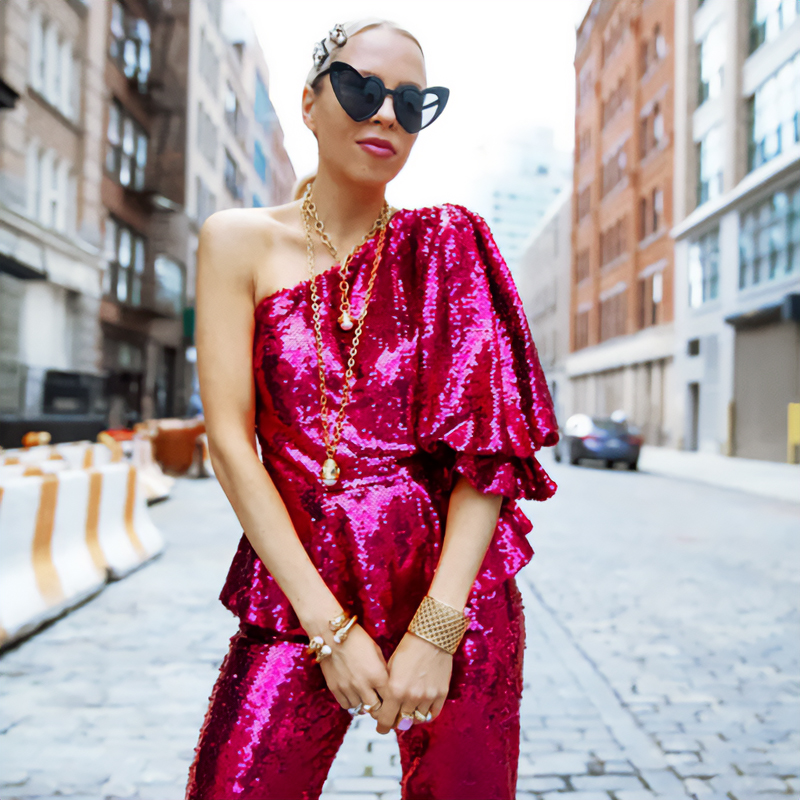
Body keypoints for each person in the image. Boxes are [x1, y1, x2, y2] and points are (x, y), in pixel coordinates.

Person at [185, 18, 558, 800]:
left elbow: (487, 460)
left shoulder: (451, 247)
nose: (385, 113)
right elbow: (229, 442)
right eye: (360, 88)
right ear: (310, 105)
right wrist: (327, 629)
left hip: (452, 597)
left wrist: (437, 628)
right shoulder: (237, 242)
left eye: (411, 101)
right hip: (300, 591)